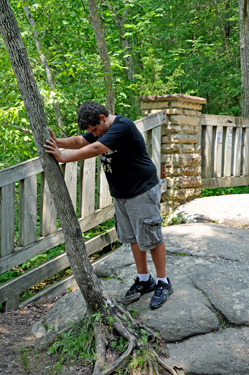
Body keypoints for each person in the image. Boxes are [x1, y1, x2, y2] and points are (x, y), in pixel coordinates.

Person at [44, 101, 173, 309]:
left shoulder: (123, 127)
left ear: (103, 118)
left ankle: (163, 282)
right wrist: (58, 142)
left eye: (95, 130)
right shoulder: (98, 130)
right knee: (133, 238)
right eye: (91, 131)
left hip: (141, 190)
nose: (94, 134)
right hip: (121, 194)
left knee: (152, 237)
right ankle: (143, 279)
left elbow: (95, 148)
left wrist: (63, 158)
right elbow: (80, 141)